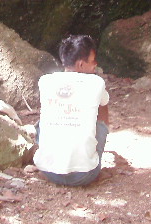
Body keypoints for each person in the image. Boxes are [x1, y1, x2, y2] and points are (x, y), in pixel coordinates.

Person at [33, 35, 109, 186]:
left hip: (49, 171)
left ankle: (50, 156)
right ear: (81, 64)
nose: (96, 64)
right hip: (85, 175)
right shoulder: (96, 83)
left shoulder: (46, 81)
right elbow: (104, 105)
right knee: (101, 115)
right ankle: (90, 155)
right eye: (93, 60)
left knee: (42, 123)